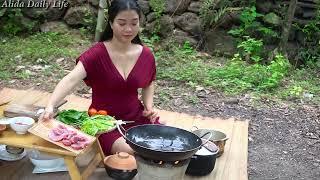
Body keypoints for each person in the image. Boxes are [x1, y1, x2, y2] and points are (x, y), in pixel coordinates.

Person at [39, 0, 162, 156]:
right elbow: (70, 79)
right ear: (111, 23)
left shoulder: (145, 54)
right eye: (122, 23)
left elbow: (149, 83)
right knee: (133, 151)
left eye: (134, 23)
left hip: (136, 118)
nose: (128, 29)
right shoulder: (97, 54)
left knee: (161, 141)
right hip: (102, 122)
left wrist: (149, 108)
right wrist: (50, 105)